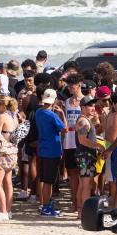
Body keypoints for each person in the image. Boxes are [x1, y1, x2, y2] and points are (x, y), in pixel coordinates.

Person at [33, 88, 66, 217]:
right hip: (52, 150)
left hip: (43, 149)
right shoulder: (51, 115)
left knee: (45, 179)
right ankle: (46, 206)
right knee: (49, 181)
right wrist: (62, 113)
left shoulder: (38, 112)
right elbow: (65, 129)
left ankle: (45, 205)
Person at [0, 95, 20, 220]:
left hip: (4, 152)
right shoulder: (14, 117)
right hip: (13, 152)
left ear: (3, 105)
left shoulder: (2, 116)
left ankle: (2, 211)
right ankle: (8, 210)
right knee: (8, 182)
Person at [74, 96, 104, 215]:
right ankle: (84, 213)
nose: (93, 108)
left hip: (84, 155)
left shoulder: (85, 120)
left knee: (83, 184)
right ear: (82, 107)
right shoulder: (83, 121)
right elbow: (82, 140)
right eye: (90, 106)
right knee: (86, 185)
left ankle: (81, 211)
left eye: (93, 105)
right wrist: (97, 145)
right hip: (85, 156)